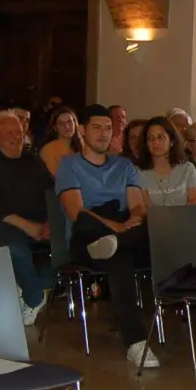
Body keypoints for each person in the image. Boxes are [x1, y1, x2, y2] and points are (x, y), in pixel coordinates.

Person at [55, 104, 154, 369]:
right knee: (90, 224)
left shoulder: (124, 165)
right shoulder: (69, 165)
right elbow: (76, 211)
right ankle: (136, 343)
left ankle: (136, 342)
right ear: (82, 130)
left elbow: (137, 206)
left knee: (134, 241)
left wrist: (131, 221)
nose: (103, 134)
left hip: (120, 233)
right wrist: (117, 227)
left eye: (108, 128)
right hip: (87, 236)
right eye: (97, 128)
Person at [0, 110, 54, 324]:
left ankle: (28, 285)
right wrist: (28, 227)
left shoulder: (33, 161)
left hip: (37, 224)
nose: (16, 137)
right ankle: (35, 297)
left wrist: (49, 223)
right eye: (9, 132)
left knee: (69, 243)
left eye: (19, 132)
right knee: (14, 247)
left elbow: (52, 190)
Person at [137, 117, 196, 207]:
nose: (155, 142)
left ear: (172, 141)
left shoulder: (187, 168)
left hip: (183, 215)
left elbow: (195, 199)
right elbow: (145, 208)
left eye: (160, 137)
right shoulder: (139, 172)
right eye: (150, 138)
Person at [39, 105, 81, 176]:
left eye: (69, 122)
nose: (67, 126)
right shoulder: (49, 150)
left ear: (75, 123)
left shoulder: (82, 145)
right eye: (61, 123)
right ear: (55, 128)